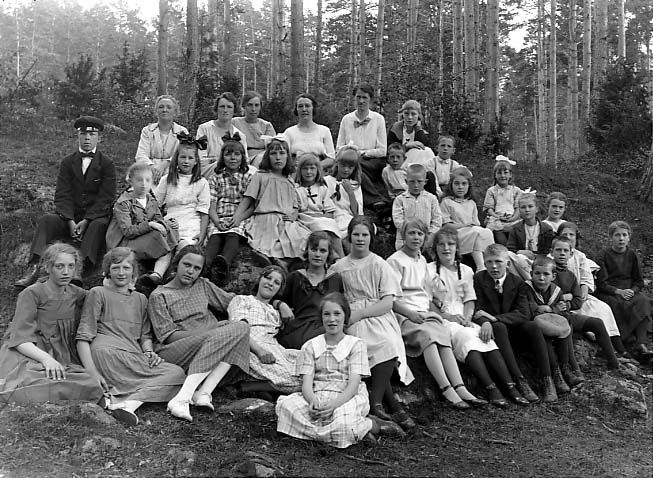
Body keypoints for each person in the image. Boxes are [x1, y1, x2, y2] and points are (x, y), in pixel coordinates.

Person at [276, 293, 405, 448]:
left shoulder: (355, 344)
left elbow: (354, 384)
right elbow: (307, 383)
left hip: (346, 395)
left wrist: (334, 404)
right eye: (327, 314)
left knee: (343, 423)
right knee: (286, 408)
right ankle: (354, 430)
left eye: (337, 313)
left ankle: (372, 425)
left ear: (345, 316)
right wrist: (312, 401)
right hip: (318, 393)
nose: (332, 319)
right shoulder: (310, 346)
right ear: (321, 317)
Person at [76, 248, 186, 426]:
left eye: (126, 268)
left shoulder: (141, 299)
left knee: (177, 374)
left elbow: (145, 334)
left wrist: (149, 352)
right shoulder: (98, 293)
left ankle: (125, 404)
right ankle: (124, 401)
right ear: (107, 271)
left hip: (133, 355)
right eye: (115, 268)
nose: (121, 273)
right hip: (106, 354)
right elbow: (83, 336)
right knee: (177, 380)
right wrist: (92, 373)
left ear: (134, 271)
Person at [388, 221, 488, 410]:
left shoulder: (421, 260)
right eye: (411, 233)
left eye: (420, 234)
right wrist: (410, 314)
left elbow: (426, 294)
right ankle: (446, 388)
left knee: (442, 336)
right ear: (403, 235)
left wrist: (436, 304)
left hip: (424, 312)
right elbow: (390, 299)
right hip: (405, 314)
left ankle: (460, 387)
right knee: (429, 337)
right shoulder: (395, 261)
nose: (416, 238)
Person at [427, 225, 530, 407]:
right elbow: (427, 302)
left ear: (457, 247)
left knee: (484, 337)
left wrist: (467, 318)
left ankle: (510, 387)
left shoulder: (466, 270)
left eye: (451, 244)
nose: (446, 248)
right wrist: (449, 317)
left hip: (464, 316)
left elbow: (470, 299)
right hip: (442, 317)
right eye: (441, 244)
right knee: (467, 337)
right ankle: (491, 388)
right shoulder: (428, 270)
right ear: (435, 248)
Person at [329, 216, 415, 431]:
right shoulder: (339, 267)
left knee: (387, 342)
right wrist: (350, 315)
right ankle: (388, 405)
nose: (360, 239)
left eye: (364, 235)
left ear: (371, 238)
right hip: (351, 315)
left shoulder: (379, 264)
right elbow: (334, 297)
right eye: (356, 234)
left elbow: (387, 302)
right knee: (361, 343)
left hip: (377, 313)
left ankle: (376, 401)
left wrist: (363, 313)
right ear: (349, 237)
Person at [147, 245, 250, 422]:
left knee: (241, 327)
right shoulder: (159, 295)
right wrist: (209, 330)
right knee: (233, 330)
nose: (191, 271)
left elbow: (232, 301)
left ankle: (203, 392)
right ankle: (182, 398)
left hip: (209, 344)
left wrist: (276, 303)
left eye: (196, 268)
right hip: (174, 350)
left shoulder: (202, 285)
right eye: (187, 265)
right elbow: (168, 336)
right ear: (176, 264)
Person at [15, 116, 116, 288]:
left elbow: (106, 198)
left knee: (98, 225)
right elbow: (62, 194)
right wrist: (70, 221)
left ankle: (78, 270)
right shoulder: (68, 162)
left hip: (93, 217)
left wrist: (86, 220)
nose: (87, 138)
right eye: (83, 134)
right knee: (47, 220)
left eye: (92, 135)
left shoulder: (107, 164)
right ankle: (34, 267)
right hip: (70, 216)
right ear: (78, 136)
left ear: (99, 138)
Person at [0, 244, 104, 404]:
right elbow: (20, 339)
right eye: (59, 266)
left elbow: (99, 300)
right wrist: (46, 359)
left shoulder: (76, 293)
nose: (66, 272)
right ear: (47, 267)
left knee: (86, 381)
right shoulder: (32, 294)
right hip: (30, 352)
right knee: (31, 380)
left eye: (71, 266)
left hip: (62, 355)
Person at [472, 244, 544, 403]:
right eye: (489, 262)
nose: (494, 266)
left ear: (508, 264)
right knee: (499, 327)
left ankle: (548, 378)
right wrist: (485, 321)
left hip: (514, 330)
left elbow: (523, 313)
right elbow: (477, 308)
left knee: (533, 326)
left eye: (498, 261)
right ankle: (518, 380)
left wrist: (494, 318)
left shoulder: (517, 282)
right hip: (495, 333)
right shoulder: (479, 279)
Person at [549, 237, 626, 379]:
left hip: (568, 312)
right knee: (567, 327)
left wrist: (569, 301)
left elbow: (578, 300)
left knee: (597, 322)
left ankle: (614, 363)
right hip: (552, 315)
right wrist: (564, 297)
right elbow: (546, 295)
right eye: (558, 250)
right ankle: (574, 370)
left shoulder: (571, 275)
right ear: (551, 252)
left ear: (571, 254)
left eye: (565, 250)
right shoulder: (547, 272)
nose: (562, 253)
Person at [229, 135, 311, 266]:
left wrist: (293, 216)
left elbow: (295, 205)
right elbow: (248, 199)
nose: (278, 157)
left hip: (285, 220)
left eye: (282, 153)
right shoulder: (260, 176)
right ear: (268, 157)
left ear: (287, 156)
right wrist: (237, 217)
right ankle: (270, 259)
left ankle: (284, 262)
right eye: (273, 154)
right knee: (267, 242)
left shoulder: (289, 181)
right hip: (265, 218)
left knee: (302, 238)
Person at [227, 266, 301, 395]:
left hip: (275, 348)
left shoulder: (275, 312)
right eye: (268, 278)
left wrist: (280, 304)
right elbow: (237, 329)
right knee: (296, 380)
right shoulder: (242, 300)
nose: (271, 283)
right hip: (249, 345)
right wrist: (259, 351)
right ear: (259, 279)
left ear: (279, 289)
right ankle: (247, 387)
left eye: (276, 282)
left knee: (309, 368)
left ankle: (262, 386)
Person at [556, 222, 626, 355]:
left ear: (576, 238)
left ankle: (619, 348)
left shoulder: (579, 256)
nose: (568, 237)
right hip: (566, 298)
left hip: (581, 294)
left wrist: (583, 291)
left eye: (571, 235)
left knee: (603, 308)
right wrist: (573, 296)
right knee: (585, 314)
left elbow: (586, 277)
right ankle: (604, 348)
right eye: (565, 235)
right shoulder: (553, 257)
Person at [105, 163, 177, 287]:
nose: (143, 184)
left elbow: (158, 218)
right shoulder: (123, 203)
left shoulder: (150, 199)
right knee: (159, 236)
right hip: (125, 241)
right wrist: (150, 225)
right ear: (131, 181)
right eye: (139, 180)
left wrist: (165, 223)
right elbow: (127, 231)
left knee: (171, 230)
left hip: (142, 236)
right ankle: (156, 274)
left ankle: (156, 276)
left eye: (147, 180)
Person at [595, 221, 653, 359]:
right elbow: (601, 283)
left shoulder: (632, 255)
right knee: (615, 304)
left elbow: (639, 281)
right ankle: (623, 341)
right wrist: (618, 291)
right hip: (610, 291)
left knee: (643, 301)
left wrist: (632, 290)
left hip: (629, 290)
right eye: (617, 235)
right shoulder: (602, 255)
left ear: (629, 237)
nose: (621, 238)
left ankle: (641, 343)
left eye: (624, 235)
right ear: (611, 237)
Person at [277, 231, 345, 349]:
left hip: (326, 328)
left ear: (328, 254)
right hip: (298, 329)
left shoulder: (335, 279)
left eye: (322, 251)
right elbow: (274, 297)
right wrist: (281, 304)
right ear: (307, 250)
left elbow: (342, 308)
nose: (317, 254)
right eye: (314, 249)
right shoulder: (295, 277)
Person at [523, 256, 577, 399]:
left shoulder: (556, 291)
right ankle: (554, 376)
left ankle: (565, 370)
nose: (541, 278)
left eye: (546, 274)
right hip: (531, 331)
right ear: (531, 274)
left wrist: (551, 310)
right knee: (544, 334)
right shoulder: (526, 288)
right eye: (537, 273)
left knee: (563, 326)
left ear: (553, 276)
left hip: (552, 327)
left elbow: (564, 312)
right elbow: (528, 311)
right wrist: (551, 309)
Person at [205, 137, 254, 285]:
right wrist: (217, 221)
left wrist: (238, 219)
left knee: (233, 236)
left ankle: (223, 264)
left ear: (243, 157)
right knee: (215, 237)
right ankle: (205, 266)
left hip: (238, 217)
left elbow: (251, 206)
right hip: (219, 216)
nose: (233, 158)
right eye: (228, 154)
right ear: (222, 157)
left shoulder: (248, 177)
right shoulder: (216, 178)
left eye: (237, 154)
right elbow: (211, 204)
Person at [154, 133, 210, 249]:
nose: (186, 161)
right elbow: (155, 204)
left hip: (191, 224)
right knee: (165, 250)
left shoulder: (202, 183)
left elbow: (204, 212)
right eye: (183, 157)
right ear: (176, 159)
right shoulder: (167, 180)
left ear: (196, 161)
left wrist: (202, 233)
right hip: (171, 222)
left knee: (183, 247)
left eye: (190, 158)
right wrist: (159, 221)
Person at [335, 84, 388, 207]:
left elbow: (382, 150)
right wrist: (351, 152)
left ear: (371, 99)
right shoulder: (347, 119)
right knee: (355, 165)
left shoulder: (378, 119)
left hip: (373, 161)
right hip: (351, 159)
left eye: (365, 97)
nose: (361, 101)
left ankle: (372, 200)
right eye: (358, 97)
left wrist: (363, 153)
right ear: (354, 98)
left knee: (358, 165)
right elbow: (338, 148)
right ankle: (376, 199)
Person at [439, 166, 494, 271]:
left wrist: (472, 226)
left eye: (464, 184)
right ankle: (480, 267)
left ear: (469, 186)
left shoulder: (471, 203)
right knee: (476, 233)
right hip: (455, 234)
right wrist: (465, 226)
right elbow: (445, 226)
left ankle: (489, 261)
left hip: (471, 232)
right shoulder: (447, 202)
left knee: (487, 232)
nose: (460, 187)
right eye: (457, 184)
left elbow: (476, 223)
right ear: (451, 185)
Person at [294, 153, 344, 256]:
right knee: (320, 225)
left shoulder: (322, 188)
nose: (309, 172)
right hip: (304, 218)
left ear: (317, 170)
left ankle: (340, 255)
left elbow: (330, 211)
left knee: (329, 224)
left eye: (312, 168)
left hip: (321, 218)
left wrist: (321, 217)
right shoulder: (296, 189)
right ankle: (334, 255)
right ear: (300, 171)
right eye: (305, 169)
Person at [134, 95, 189, 185]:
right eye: (161, 107)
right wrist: (152, 167)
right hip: (149, 173)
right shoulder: (147, 131)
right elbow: (141, 155)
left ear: (175, 111)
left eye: (169, 107)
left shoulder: (182, 132)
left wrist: (164, 165)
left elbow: (183, 155)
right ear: (156, 111)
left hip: (174, 172)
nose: (164, 110)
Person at [196, 92, 248, 179]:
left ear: (234, 110)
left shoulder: (239, 135)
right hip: (209, 171)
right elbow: (201, 158)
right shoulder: (204, 129)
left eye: (229, 107)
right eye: (222, 106)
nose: (225, 110)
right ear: (217, 109)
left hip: (234, 171)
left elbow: (245, 159)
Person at [391, 163, 442, 251]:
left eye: (419, 181)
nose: (416, 185)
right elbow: (398, 220)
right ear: (406, 181)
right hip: (405, 240)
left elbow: (437, 220)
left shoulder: (432, 199)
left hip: (426, 240)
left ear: (425, 182)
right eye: (412, 181)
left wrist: (430, 234)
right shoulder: (400, 199)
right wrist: (410, 232)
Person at [506, 192, 555, 280]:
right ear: (519, 210)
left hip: (541, 259)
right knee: (509, 255)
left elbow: (548, 249)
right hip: (522, 260)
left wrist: (536, 256)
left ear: (536, 209)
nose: (527, 210)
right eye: (523, 207)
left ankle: (530, 280)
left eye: (530, 206)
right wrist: (520, 252)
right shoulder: (515, 228)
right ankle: (526, 280)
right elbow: (510, 248)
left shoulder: (546, 228)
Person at [284, 93, 335, 171]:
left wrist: (314, 166)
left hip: (319, 172)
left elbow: (331, 158)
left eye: (307, 106)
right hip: (296, 172)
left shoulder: (324, 131)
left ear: (313, 108)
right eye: (300, 106)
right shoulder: (289, 132)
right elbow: (285, 157)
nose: (304, 109)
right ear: (296, 109)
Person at [324, 145, 363, 240]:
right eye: (343, 166)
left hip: (348, 218)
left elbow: (357, 213)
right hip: (333, 217)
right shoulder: (327, 181)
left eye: (350, 167)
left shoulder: (355, 185)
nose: (346, 170)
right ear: (337, 163)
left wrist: (350, 192)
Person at [483, 155, 522, 245]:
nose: (503, 175)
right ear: (495, 175)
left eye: (505, 172)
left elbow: (518, 208)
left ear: (510, 174)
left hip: (512, 218)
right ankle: (503, 246)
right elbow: (489, 209)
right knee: (497, 232)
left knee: (517, 230)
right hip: (497, 219)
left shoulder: (516, 190)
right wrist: (497, 216)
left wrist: (513, 218)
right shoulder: (492, 191)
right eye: (499, 173)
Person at [232, 91, 276, 167]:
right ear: (244, 106)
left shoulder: (266, 126)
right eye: (250, 105)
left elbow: (272, 147)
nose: (253, 109)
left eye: (256, 105)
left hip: (261, 160)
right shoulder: (235, 123)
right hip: (239, 157)